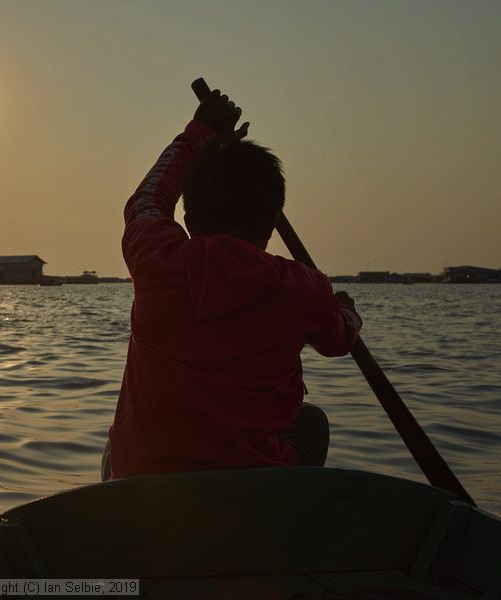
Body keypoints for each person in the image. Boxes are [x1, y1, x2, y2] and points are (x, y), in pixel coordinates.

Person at [102, 84, 362, 480]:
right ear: (272, 223)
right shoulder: (305, 288)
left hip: (142, 485)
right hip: (255, 488)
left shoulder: (159, 263)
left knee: (114, 444)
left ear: (189, 223)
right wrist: (347, 310)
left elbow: (146, 201)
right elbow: (339, 340)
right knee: (312, 422)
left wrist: (198, 132)